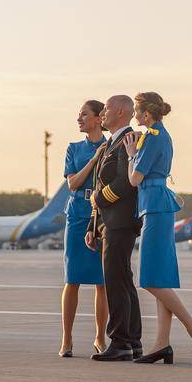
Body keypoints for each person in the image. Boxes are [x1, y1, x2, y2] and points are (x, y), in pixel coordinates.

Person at [118, 91, 192, 365]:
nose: (134, 116)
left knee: (149, 279)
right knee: (159, 278)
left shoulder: (153, 138)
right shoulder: (156, 135)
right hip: (155, 207)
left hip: (156, 207)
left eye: (136, 111)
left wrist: (130, 154)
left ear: (147, 114)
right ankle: (162, 344)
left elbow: (135, 179)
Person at [88, 95, 145, 361]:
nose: (103, 114)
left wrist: (99, 199)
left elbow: (126, 182)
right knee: (122, 280)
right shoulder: (111, 143)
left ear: (121, 112)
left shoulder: (128, 139)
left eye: (107, 109)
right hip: (109, 221)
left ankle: (120, 342)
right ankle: (132, 341)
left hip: (121, 221)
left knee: (115, 282)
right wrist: (93, 224)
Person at [57, 100, 110, 358]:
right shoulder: (74, 148)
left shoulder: (113, 145)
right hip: (77, 214)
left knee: (102, 281)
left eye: (84, 115)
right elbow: (73, 183)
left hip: (102, 215)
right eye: (78, 115)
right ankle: (67, 339)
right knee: (73, 278)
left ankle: (100, 336)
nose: (79, 119)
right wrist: (92, 161)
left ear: (99, 118)